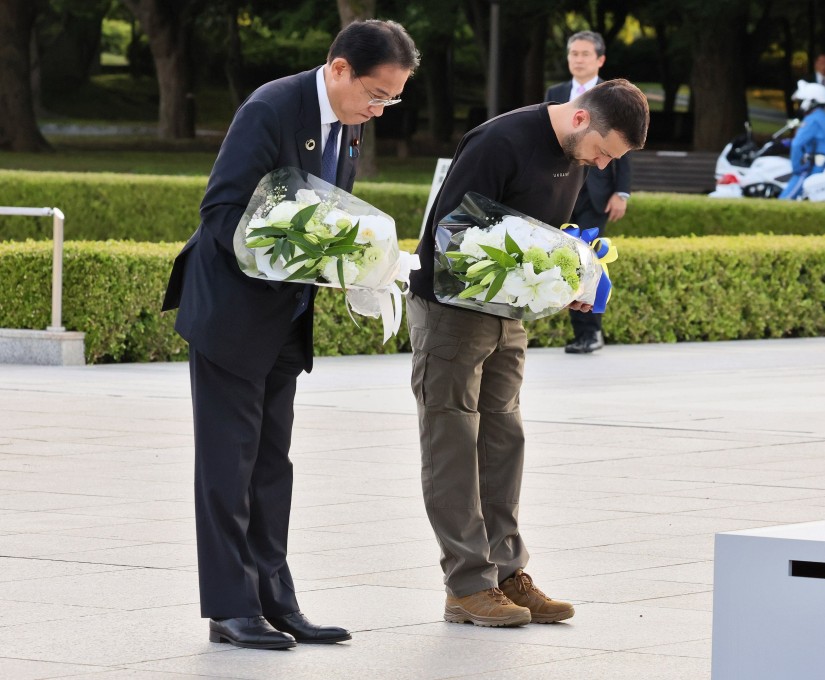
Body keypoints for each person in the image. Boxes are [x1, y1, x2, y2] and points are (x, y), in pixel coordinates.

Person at [161, 20, 418, 650]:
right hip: (231, 310)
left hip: (286, 318)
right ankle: (229, 607)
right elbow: (222, 213)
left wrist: (357, 263)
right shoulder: (270, 108)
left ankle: (276, 596)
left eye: (392, 100)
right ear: (338, 69)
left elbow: (332, 215)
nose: (379, 110)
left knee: (273, 464)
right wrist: (291, 255)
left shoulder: (349, 124)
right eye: (377, 95)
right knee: (229, 462)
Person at [407, 80, 649, 627]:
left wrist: (570, 275)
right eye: (606, 152)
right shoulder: (499, 141)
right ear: (583, 120)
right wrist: (529, 270)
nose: (604, 164)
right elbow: (452, 234)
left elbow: (538, 232)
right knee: (452, 440)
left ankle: (506, 572)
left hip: (507, 313)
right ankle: (466, 585)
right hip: (452, 309)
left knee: (503, 438)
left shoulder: (577, 155)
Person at [545, 30, 632, 354]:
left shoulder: (612, 96)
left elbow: (624, 147)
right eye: (573, 54)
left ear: (600, 59)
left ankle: (591, 332)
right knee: (564, 259)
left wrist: (621, 192)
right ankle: (574, 330)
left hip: (597, 193)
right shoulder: (556, 93)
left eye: (584, 54)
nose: (578, 59)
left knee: (591, 259)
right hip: (563, 187)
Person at [779, 80, 825, 200]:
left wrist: (797, 168)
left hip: (813, 169)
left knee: (784, 200)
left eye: (801, 101)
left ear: (810, 101)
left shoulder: (812, 120)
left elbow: (797, 144)